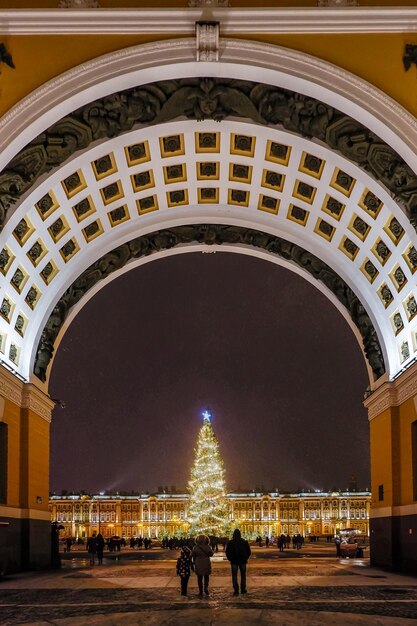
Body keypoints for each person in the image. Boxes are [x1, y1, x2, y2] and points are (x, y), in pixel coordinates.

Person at [225, 528, 251, 595]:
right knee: (243, 575)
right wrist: (245, 558)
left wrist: (230, 558)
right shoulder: (244, 542)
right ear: (240, 534)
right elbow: (249, 552)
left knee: (234, 575)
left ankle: (236, 589)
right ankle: (243, 589)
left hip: (234, 561)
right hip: (242, 561)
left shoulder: (230, 542)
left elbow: (227, 552)